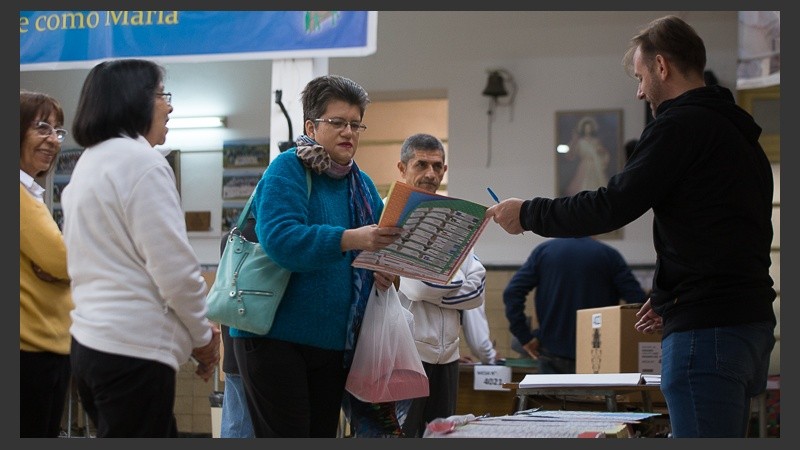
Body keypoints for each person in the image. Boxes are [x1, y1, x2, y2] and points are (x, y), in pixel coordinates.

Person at [486, 15, 776, 438]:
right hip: (749, 324)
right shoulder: (739, 134)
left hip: (706, 330)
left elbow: (612, 205)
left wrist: (527, 213)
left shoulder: (679, 125)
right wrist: (667, 295)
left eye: (640, 77)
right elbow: (719, 231)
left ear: (662, 67)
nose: (640, 91)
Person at [230, 74, 403, 438]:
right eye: (337, 123)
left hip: (332, 343)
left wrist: (385, 273)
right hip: (273, 336)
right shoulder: (288, 169)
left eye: (355, 125)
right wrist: (350, 238)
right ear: (311, 125)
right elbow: (281, 241)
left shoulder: (362, 184)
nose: (349, 133)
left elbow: (376, 252)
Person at [61, 59, 220, 438]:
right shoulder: (142, 163)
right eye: (161, 95)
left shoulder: (89, 163)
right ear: (133, 100)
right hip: (132, 354)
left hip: (91, 347)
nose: (169, 106)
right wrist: (204, 339)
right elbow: (176, 271)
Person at [394, 133, 487, 438]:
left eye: (437, 166)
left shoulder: (454, 218)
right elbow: (417, 288)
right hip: (405, 354)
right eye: (421, 164)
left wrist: (443, 279)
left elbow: (478, 290)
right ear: (402, 167)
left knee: (442, 437)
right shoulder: (390, 216)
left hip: (448, 358)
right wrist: (454, 278)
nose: (430, 174)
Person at [503, 237, 647, 374]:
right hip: (598, 353)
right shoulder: (608, 255)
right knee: (596, 400)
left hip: (553, 353)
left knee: (549, 400)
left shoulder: (545, 251)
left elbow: (512, 292)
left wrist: (524, 336)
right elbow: (637, 300)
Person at [19, 89, 74, 437]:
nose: (52, 140)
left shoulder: (30, 194)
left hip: (48, 348)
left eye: (57, 131)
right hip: (29, 353)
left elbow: (59, 264)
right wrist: (65, 270)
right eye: (41, 127)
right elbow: (63, 260)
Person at [563, 116, 610, 196]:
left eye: (589, 128)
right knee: (583, 187)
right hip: (584, 166)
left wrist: (601, 152)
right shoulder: (580, 142)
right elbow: (571, 154)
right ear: (583, 129)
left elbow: (603, 152)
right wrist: (574, 139)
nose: (588, 130)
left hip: (596, 166)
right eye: (586, 128)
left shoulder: (596, 141)